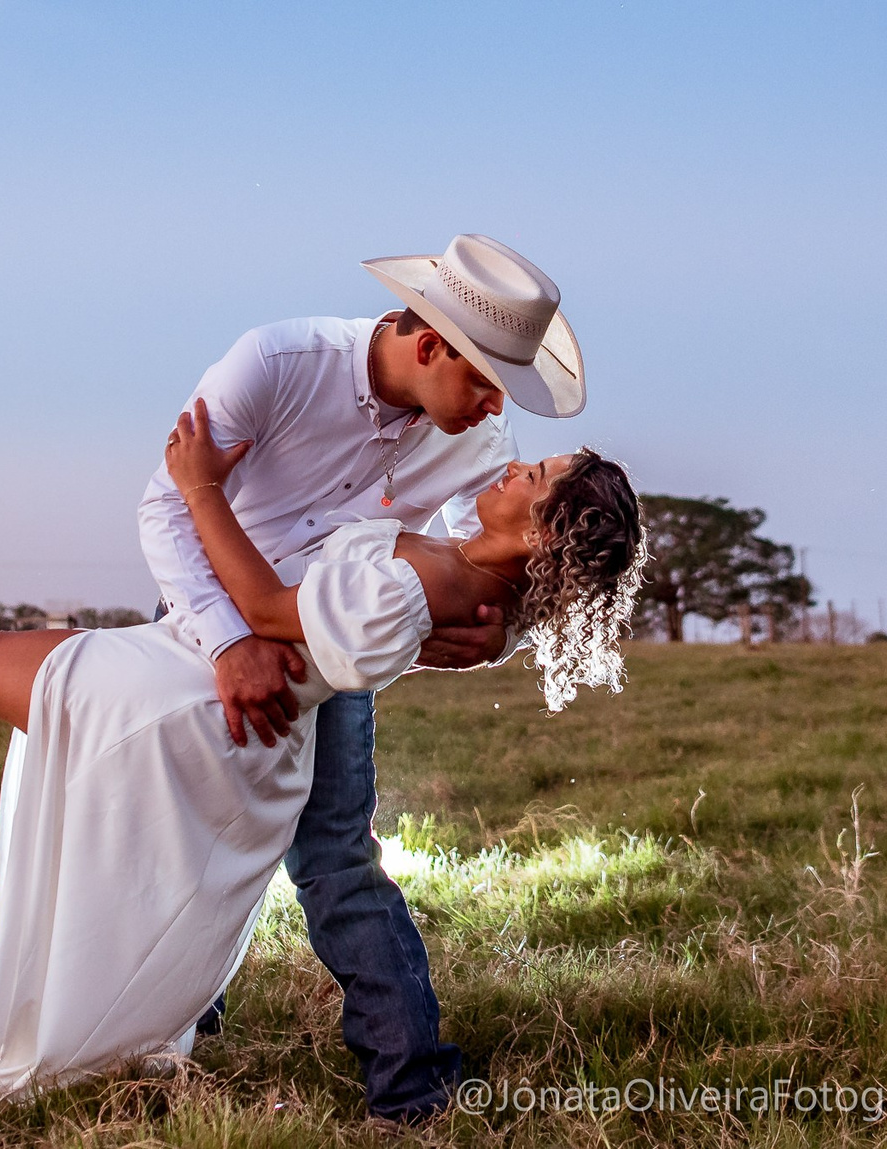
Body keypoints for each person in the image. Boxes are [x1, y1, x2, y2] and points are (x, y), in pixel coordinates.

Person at [0, 431, 645, 1100]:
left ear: (544, 532)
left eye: (535, 475)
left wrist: (198, 487)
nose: (513, 464)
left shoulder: (431, 587)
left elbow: (269, 612)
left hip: (187, 697)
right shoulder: (463, 583)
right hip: (193, 680)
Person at [134, 233, 588, 1117]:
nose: (498, 409)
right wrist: (231, 642)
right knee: (194, 842)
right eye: (487, 380)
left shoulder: (476, 432)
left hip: (334, 646)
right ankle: (177, 1035)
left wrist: (502, 639)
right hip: (204, 626)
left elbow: (514, 545)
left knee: (336, 852)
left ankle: (412, 1086)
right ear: (428, 346)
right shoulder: (276, 362)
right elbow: (166, 507)